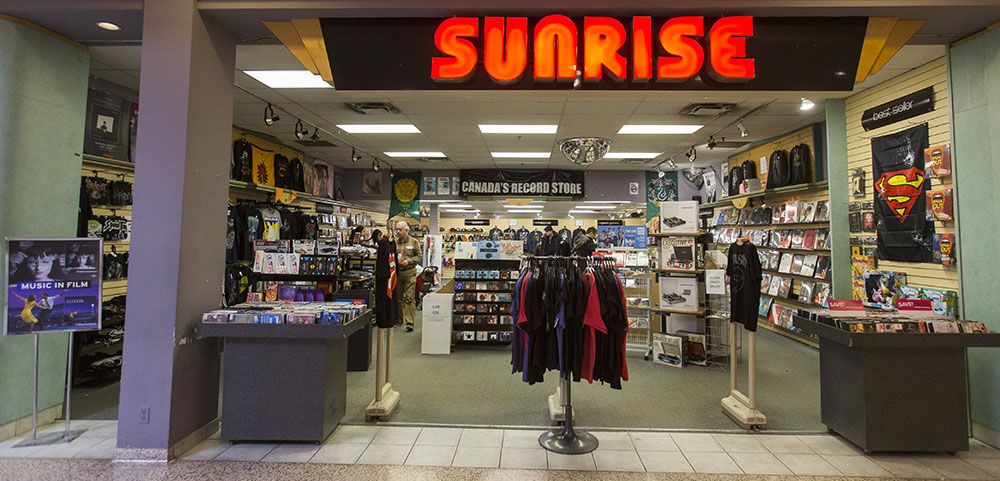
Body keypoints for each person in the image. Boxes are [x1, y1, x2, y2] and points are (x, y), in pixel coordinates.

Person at [394, 221, 422, 332]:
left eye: (400, 229)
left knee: (409, 297)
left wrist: (409, 261)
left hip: (410, 272)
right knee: (398, 298)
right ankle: (399, 319)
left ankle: (409, 322)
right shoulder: (394, 243)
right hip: (397, 273)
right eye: (396, 229)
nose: (397, 232)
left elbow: (419, 256)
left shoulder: (414, 242)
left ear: (406, 230)